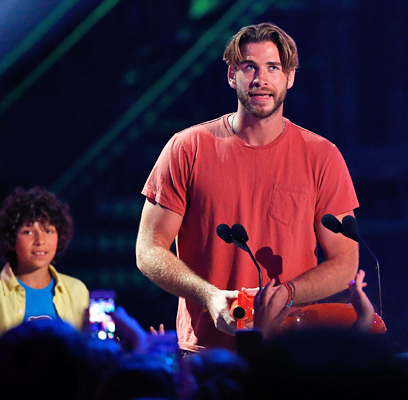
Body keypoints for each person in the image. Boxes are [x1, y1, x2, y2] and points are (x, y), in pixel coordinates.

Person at [136, 22, 359, 352]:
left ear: (290, 77)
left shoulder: (322, 155)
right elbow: (148, 250)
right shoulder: (187, 148)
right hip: (206, 353)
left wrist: (286, 293)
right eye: (249, 67)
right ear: (232, 75)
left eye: (273, 67)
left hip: (292, 352)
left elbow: (345, 261)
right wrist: (208, 295)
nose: (260, 79)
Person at [0, 186, 89, 347]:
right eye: (28, 232)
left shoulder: (77, 291)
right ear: (11, 238)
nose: (40, 241)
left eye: (48, 231)